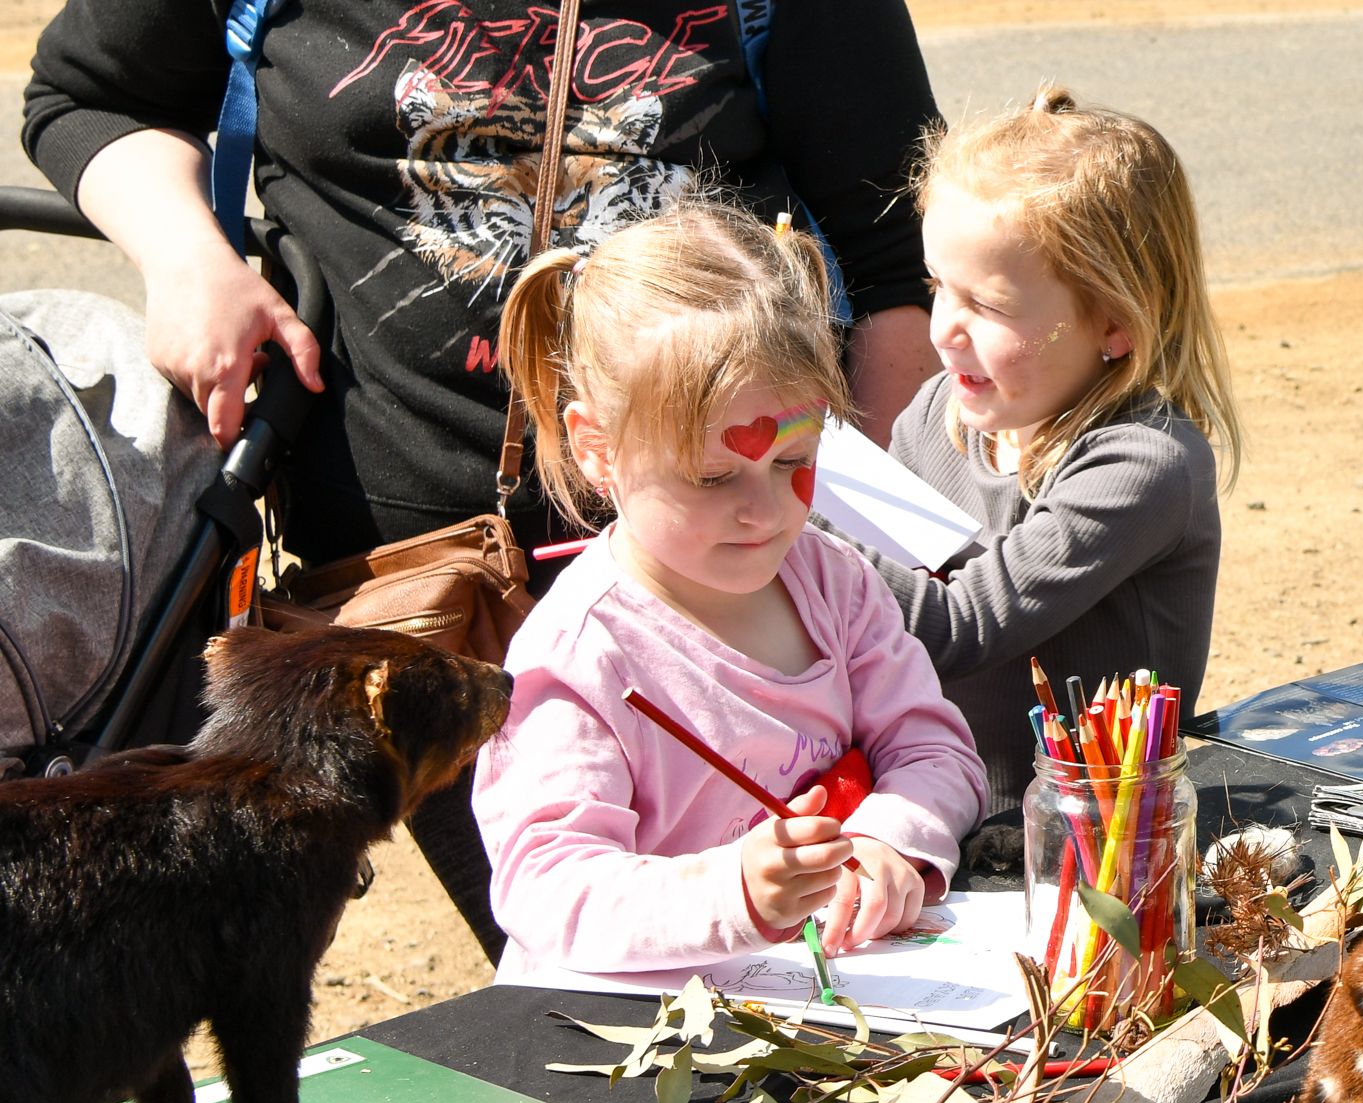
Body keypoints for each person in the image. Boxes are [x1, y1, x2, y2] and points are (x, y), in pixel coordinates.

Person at [24, 0, 942, 959]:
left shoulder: (812, 580)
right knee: (599, 939)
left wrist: (819, 546)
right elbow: (86, 95)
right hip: (422, 598)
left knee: (799, 958)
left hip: (749, 583)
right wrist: (188, 261)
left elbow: (890, 261)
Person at [472, 197, 986, 978]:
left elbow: (933, 746)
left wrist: (890, 838)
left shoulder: (833, 584)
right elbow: (546, 886)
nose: (766, 509)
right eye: (713, 476)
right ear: (598, 449)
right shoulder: (580, 654)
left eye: (794, 460)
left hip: (838, 1005)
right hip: (639, 1050)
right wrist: (732, 892)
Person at [848, 85, 1242, 808]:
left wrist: (788, 514)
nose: (943, 330)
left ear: (1115, 324)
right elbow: (891, 571)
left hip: (1088, 847)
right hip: (932, 803)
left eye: (987, 305)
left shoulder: (1141, 464)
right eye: (938, 286)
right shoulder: (945, 413)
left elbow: (959, 625)